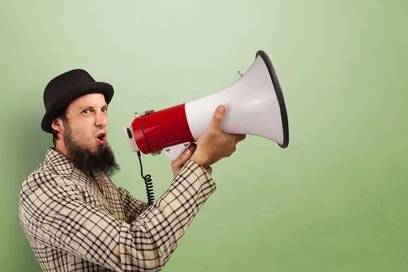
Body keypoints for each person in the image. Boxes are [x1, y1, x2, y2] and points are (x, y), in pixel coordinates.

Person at [18, 68, 246, 271]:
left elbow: (148, 223)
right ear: (57, 124)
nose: (102, 121)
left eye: (104, 109)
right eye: (87, 111)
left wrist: (187, 174)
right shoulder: (43, 189)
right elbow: (140, 252)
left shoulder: (97, 178)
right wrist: (198, 164)